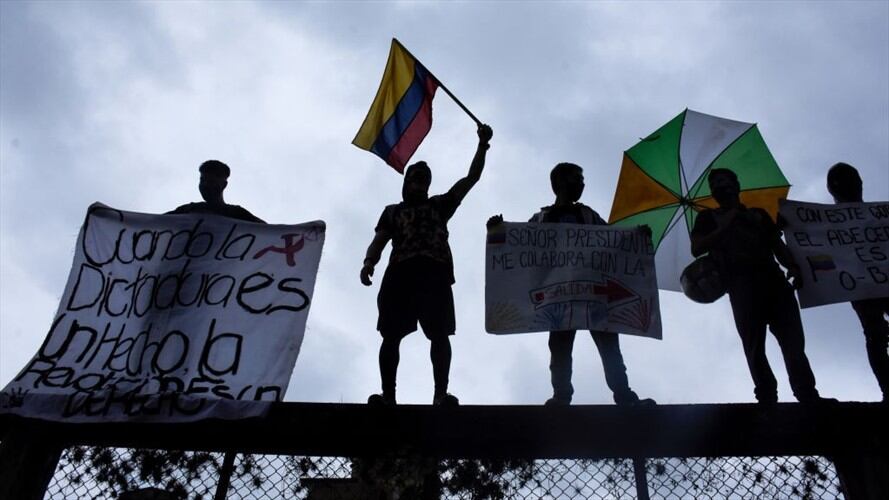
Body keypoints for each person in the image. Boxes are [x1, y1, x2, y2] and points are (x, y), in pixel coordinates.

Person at [489, 162, 655, 407]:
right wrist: (498, 232)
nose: (582, 183)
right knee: (560, 347)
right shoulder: (542, 217)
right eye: (577, 178)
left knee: (608, 345)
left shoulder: (588, 215)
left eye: (582, 178)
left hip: (594, 292)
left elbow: (613, 241)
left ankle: (622, 394)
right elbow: (521, 247)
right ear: (560, 182)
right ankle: (562, 396)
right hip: (559, 294)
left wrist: (635, 237)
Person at [361, 124, 493, 406]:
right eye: (415, 178)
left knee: (440, 334)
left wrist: (482, 145)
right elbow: (380, 239)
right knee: (391, 335)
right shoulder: (393, 211)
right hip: (400, 274)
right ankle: (389, 396)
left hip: (435, 273)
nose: (420, 182)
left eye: (424, 179)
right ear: (406, 182)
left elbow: (471, 178)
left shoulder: (439, 206)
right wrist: (369, 261)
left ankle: (440, 394)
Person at [690, 168, 832, 404]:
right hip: (741, 285)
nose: (720, 186)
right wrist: (727, 223)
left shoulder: (758, 214)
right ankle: (766, 395)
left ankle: (806, 393)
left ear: (736, 186)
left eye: (725, 181)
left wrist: (793, 267)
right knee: (755, 346)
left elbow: (776, 244)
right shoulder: (707, 218)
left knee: (793, 342)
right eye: (715, 183)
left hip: (774, 280)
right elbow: (697, 248)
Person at [826, 162, 888, 402]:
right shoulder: (824, 224)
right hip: (861, 287)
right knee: (875, 335)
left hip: (863, 285)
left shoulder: (878, 216)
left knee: (875, 336)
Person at [168, 160, 265, 223]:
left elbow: (269, 232)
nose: (205, 185)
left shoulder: (237, 213)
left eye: (211, 181)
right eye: (202, 180)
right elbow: (155, 224)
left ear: (224, 185)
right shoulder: (187, 210)